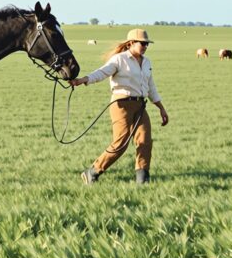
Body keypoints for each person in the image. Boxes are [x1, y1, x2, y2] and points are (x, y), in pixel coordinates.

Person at [70, 28, 169, 184]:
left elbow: (151, 87)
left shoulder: (147, 62)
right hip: (121, 105)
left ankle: (143, 180)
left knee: (145, 142)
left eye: (147, 44)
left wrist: (161, 108)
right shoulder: (119, 59)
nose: (145, 46)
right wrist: (84, 80)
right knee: (120, 144)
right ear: (131, 43)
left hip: (140, 106)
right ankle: (92, 172)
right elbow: (102, 73)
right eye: (142, 43)